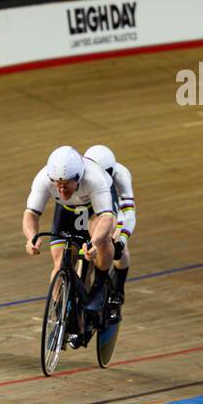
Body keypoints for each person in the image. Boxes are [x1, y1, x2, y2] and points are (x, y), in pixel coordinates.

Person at [22, 146, 117, 344]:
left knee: (103, 240)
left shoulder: (94, 179)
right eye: (58, 184)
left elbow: (107, 216)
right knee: (59, 265)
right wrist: (31, 237)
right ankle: (59, 318)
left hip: (95, 211)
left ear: (79, 178)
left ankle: (99, 286)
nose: (61, 189)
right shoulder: (44, 178)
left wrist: (94, 243)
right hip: (66, 212)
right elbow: (30, 213)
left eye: (66, 185)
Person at [82, 144, 135, 323]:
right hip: (92, 208)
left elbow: (128, 212)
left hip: (113, 208)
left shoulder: (121, 175)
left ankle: (118, 291)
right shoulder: (86, 174)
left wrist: (121, 238)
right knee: (85, 254)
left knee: (119, 245)